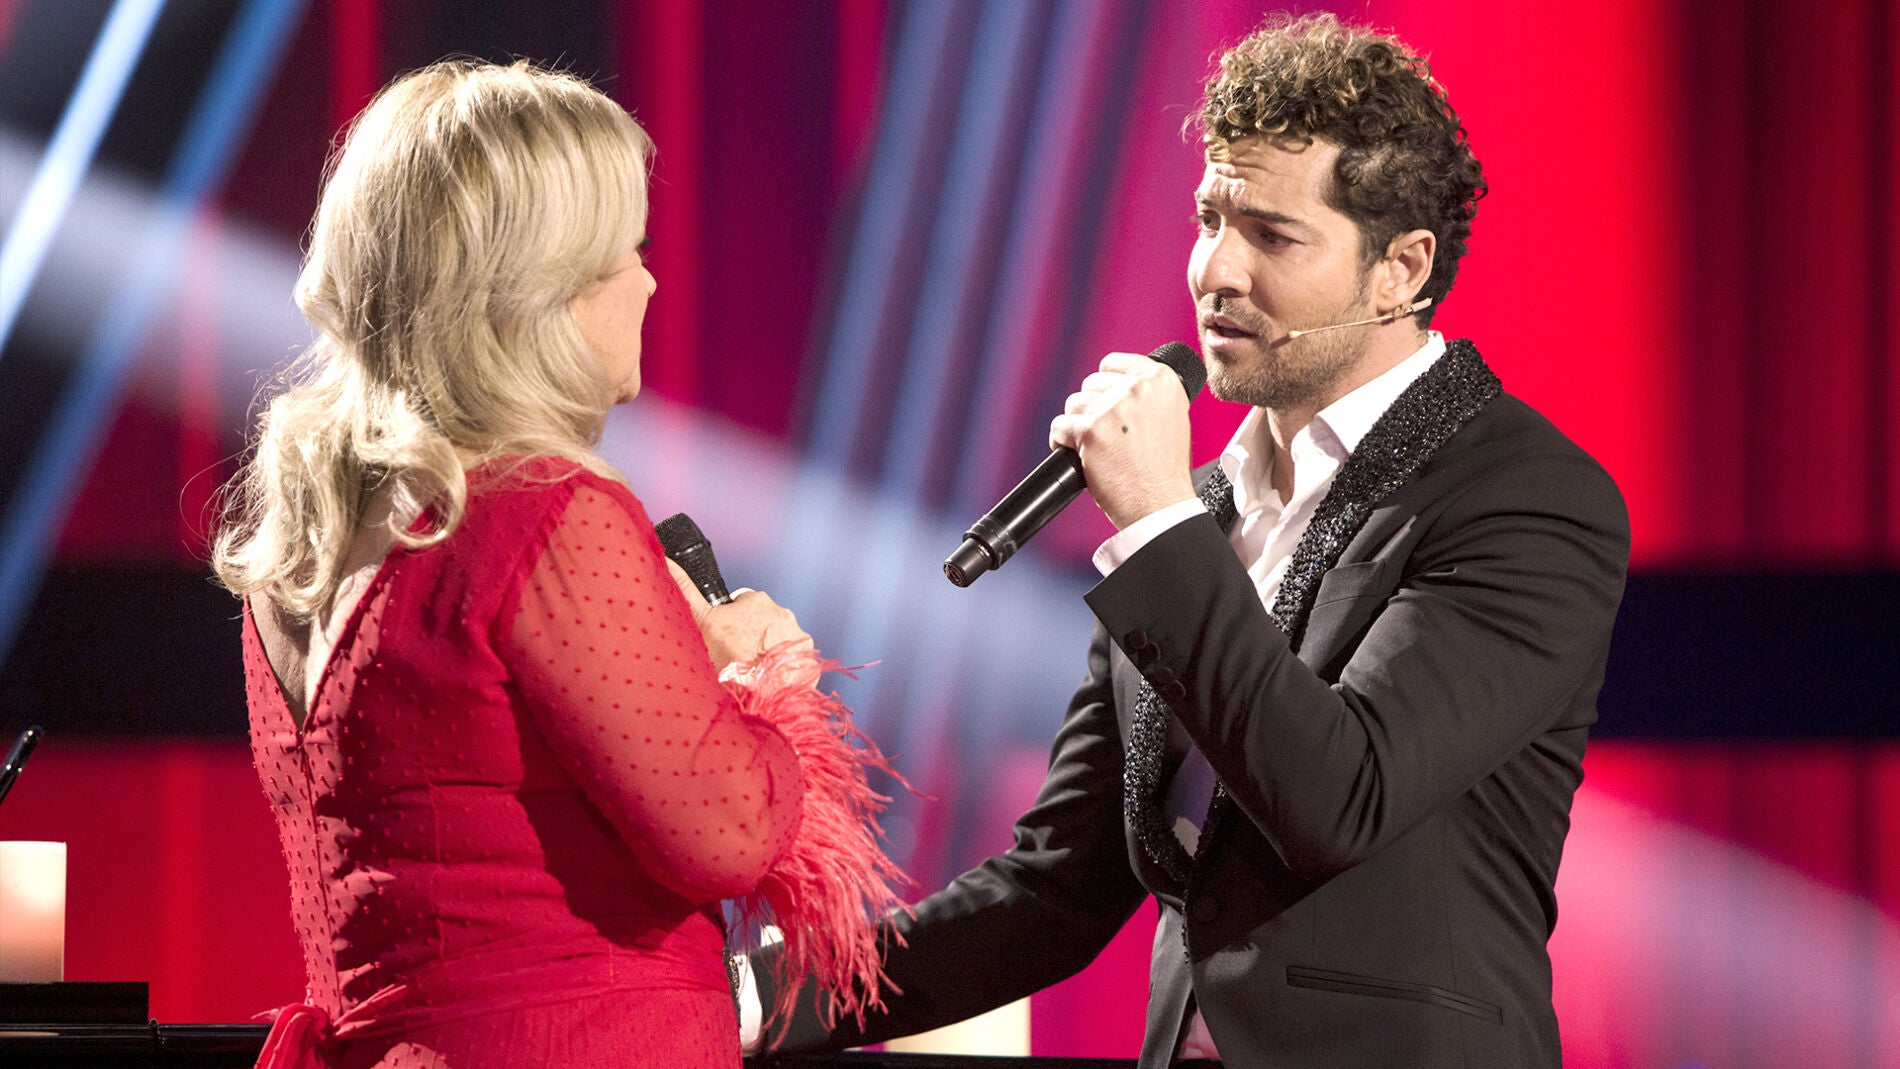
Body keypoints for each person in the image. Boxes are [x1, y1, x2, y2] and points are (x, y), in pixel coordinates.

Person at [751, 13, 1629, 1068]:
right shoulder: (1201, 509)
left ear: (1400, 268)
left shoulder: (1522, 494)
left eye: (1273, 236)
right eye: (1211, 216)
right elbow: (1056, 888)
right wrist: (754, 1001)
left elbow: (1338, 797)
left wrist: (1158, 520)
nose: (1216, 269)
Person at [213, 59, 901, 1069]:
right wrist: (762, 677)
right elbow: (730, 826)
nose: (652, 280)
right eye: (627, 250)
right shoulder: (544, 510)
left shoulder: (304, 546)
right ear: (542, 290)